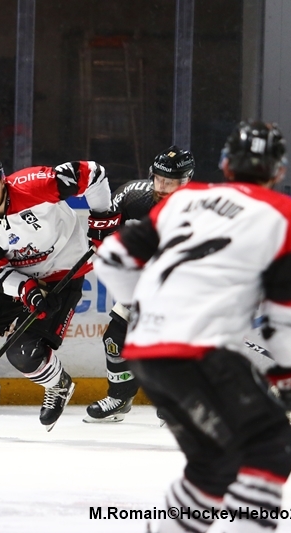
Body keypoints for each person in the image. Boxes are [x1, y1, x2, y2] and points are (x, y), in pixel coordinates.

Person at [94, 120, 291, 533]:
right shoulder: (282, 214)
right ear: (278, 171)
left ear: (225, 164)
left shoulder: (183, 202)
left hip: (146, 351)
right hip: (198, 351)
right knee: (274, 448)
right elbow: (286, 321)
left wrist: (148, 307)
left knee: (213, 465)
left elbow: (111, 259)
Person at [0, 147, 117, 436]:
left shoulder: (36, 184)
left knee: (24, 353)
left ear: (2, 179)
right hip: (19, 277)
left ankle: (58, 384)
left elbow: (94, 173)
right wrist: (26, 289)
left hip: (64, 272)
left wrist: (103, 217)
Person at [84, 146, 195, 423]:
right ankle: (120, 398)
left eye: (172, 182)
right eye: (160, 179)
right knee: (115, 339)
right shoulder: (135, 194)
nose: (164, 187)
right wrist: (102, 233)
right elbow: (105, 221)